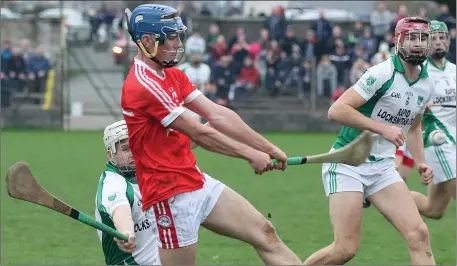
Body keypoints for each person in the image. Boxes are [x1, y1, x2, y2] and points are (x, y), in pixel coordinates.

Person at [120, 4, 301, 265]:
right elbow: (201, 134)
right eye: (170, 37)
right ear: (147, 41)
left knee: (265, 233)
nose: (177, 43)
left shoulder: (171, 74)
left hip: (195, 180)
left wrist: (267, 147)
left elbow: (217, 114)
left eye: (178, 36)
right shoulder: (142, 85)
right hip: (169, 195)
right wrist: (250, 154)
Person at [303, 17, 436, 265]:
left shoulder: (426, 83)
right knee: (344, 249)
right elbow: (337, 110)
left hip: (383, 168)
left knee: (419, 234)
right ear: (398, 42)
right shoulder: (382, 73)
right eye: (412, 38)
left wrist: (420, 162)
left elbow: (415, 127)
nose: (418, 44)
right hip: (347, 163)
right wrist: (382, 129)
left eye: (423, 38)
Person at [95, 120, 160, 265]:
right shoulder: (112, 185)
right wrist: (126, 232)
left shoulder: (146, 170)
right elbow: (120, 211)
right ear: (110, 155)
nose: (133, 153)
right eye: (125, 149)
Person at [410, 20, 456, 219]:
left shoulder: (454, 70)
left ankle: (380, 193)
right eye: (433, 38)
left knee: (433, 209)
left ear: (448, 41)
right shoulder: (420, 72)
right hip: (436, 141)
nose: (438, 42)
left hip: (454, 140)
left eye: (442, 38)